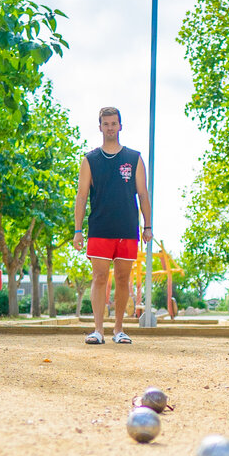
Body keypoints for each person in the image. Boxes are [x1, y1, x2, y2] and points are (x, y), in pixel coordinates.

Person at [73, 106, 153, 345]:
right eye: (105, 124)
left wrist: (147, 225)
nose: (110, 127)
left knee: (122, 278)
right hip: (99, 228)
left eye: (113, 123)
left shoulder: (134, 158)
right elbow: (81, 196)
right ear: (100, 127)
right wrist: (78, 231)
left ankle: (119, 329)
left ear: (120, 125)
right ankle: (98, 330)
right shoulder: (90, 160)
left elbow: (143, 194)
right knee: (99, 277)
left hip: (127, 228)